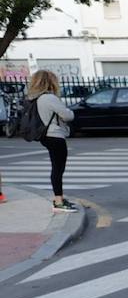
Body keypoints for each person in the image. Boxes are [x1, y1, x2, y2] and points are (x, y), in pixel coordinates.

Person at [23, 70, 77, 212]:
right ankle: (58, 201)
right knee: (58, 168)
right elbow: (67, 115)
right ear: (50, 81)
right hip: (55, 135)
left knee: (56, 167)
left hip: (45, 135)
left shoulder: (34, 98)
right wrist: (70, 111)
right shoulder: (49, 98)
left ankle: (58, 198)